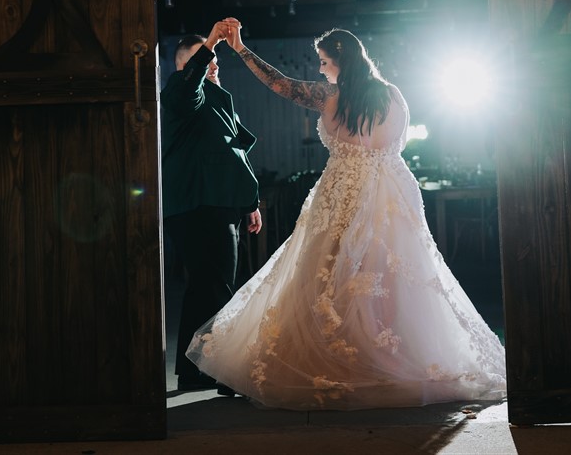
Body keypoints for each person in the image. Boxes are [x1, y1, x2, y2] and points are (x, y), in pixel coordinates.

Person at [186, 21, 507, 410]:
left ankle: (343, 355)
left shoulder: (329, 97)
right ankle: (392, 352)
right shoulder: (393, 96)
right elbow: (397, 146)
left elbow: (280, 84)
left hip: (342, 191)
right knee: (393, 272)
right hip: (391, 193)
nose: (320, 69)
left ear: (340, 61)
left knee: (329, 271)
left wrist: (240, 49)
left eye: (323, 61)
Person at [161, 23, 262, 393]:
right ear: (184, 68)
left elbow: (233, 155)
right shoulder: (180, 91)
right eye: (204, 60)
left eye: (215, 60)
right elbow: (190, 85)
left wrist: (250, 202)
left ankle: (193, 370)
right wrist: (211, 42)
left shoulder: (217, 99)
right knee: (217, 287)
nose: (213, 64)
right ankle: (223, 371)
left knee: (204, 288)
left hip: (218, 202)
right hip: (197, 203)